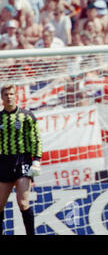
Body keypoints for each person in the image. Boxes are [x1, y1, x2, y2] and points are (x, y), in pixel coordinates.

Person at [0, 84, 42, 235]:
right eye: (6, 94)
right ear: (2, 97)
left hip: (23, 160)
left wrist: (36, 160)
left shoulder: (27, 116)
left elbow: (36, 139)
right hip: (4, 162)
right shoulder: (0, 118)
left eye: (11, 94)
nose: (9, 96)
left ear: (16, 95)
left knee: (23, 203)